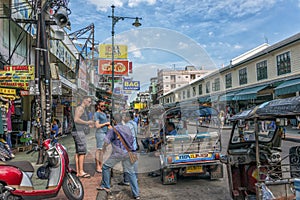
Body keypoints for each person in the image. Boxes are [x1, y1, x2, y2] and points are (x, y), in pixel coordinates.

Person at [97, 113, 140, 200]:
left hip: (118, 154)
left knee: (105, 167)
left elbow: (106, 141)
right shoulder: (127, 128)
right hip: (128, 153)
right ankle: (136, 194)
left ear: (114, 121)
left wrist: (103, 149)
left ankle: (106, 186)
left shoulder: (114, 129)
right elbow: (132, 140)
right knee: (131, 173)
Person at [73, 96, 94, 178]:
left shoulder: (82, 109)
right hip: (78, 131)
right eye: (88, 101)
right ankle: (81, 171)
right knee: (82, 151)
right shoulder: (80, 109)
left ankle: (78, 171)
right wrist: (87, 122)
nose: (90, 103)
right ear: (84, 100)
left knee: (78, 151)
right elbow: (76, 119)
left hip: (78, 131)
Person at [119, 111, 139, 186]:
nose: (124, 118)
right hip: (134, 146)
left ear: (128, 117)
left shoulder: (126, 126)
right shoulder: (134, 124)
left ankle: (127, 180)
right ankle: (135, 178)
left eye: (125, 117)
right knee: (134, 163)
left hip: (128, 148)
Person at [94, 100, 111, 173]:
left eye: (104, 106)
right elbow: (97, 125)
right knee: (99, 150)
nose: (103, 107)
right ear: (98, 106)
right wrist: (106, 124)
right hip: (100, 133)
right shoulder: (97, 114)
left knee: (103, 150)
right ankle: (98, 166)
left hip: (105, 133)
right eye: (102, 106)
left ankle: (101, 164)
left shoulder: (103, 113)